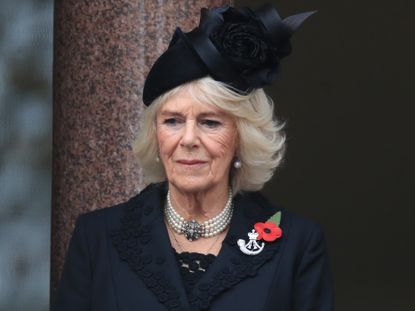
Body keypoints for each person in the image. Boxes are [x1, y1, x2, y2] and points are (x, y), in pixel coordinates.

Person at [53, 4, 334, 311]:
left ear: (242, 137)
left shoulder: (296, 245)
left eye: (209, 123)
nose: (188, 139)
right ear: (156, 136)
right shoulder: (98, 238)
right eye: (172, 121)